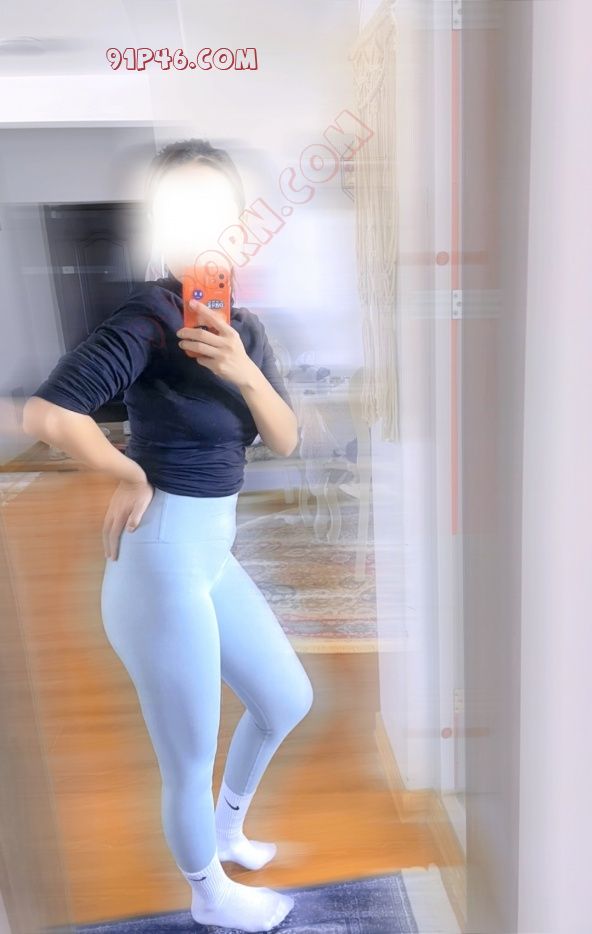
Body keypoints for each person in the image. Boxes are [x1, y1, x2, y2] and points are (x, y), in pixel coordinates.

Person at [22, 139, 312, 933]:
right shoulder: (150, 316)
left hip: (210, 555)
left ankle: (227, 833)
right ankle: (208, 894)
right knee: (188, 756)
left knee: (286, 699)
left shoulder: (243, 327)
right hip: (160, 561)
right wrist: (125, 470)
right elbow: (47, 413)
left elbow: (285, 437)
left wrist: (241, 370)